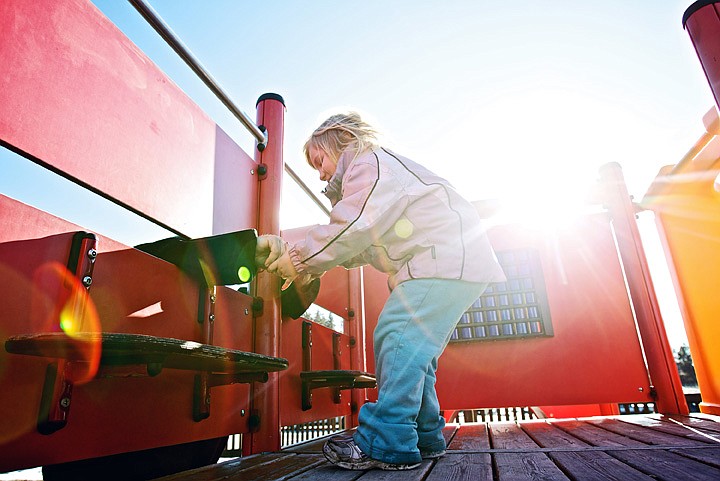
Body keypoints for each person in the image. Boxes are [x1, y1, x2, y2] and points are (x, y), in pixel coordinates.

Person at [255, 112, 505, 470]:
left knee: (397, 336)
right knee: (417, 353)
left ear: (338, 139)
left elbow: (356, 225)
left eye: (319, 161)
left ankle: (387, 441)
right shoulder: (377, 175)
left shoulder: (368, 163)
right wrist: (296, 250)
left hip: (442, 259)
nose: (321, 174)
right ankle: (423, 433)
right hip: (451, 259)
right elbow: (361, 244)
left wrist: (298, 260)